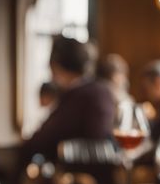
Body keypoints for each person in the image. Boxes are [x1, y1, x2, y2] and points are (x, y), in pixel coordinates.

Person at [21, 35, 115, 163]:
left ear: (55, 66)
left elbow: (40, 142)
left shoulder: (77, 96)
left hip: (82, 175)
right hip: (103, 171)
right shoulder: (102, 90)